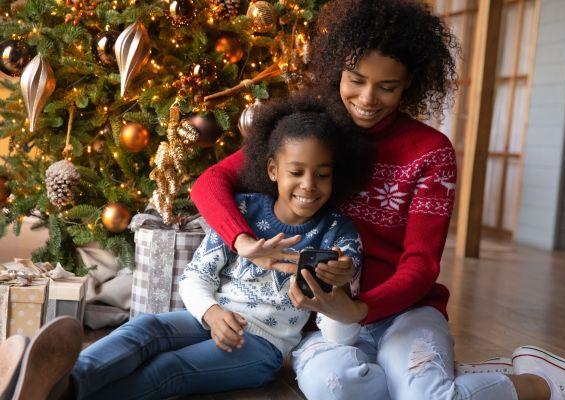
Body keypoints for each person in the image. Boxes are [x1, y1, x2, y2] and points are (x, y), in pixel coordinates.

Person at [190, 1, 565, 400]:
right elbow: (209, 183)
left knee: (430, 397)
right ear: (337, 72)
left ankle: (535, 383)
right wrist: (242, 242)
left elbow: (422, 264)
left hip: (405, 311)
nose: (368, 98)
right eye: (356, 79)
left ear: (410, 83)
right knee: (334, 390)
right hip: (324, 322)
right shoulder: (312, 133)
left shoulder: (430, 152)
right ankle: (442, 378)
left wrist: (360, 309)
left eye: (386, 86)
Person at [0, 95, 377, 400]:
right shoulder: (243, 210)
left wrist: (337, 296)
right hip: (207, 317)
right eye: (296, 172)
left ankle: (60, 391)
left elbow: (339, 336)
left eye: (322, 175)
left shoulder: (339, 236)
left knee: (170, 369)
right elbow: (196, 277)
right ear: (272, 170)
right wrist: (212, 314)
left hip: (263, 348)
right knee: (145, 328)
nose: (309, 185)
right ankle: (56, 380)